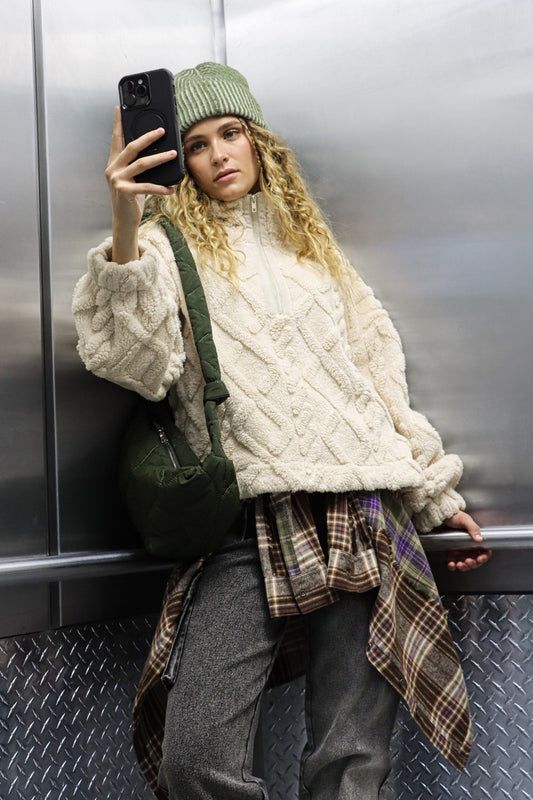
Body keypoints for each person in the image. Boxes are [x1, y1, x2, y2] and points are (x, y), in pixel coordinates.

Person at [72, 62, 491, 800]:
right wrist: (125, 220)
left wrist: (431, 495)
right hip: (246, 521)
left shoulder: (314, 248)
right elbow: (134, 365)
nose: (218, 155)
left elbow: (375, 378)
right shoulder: (166, 251)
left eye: (231, 133)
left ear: (260, 140)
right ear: (178, 158)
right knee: (193, 760)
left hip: (360, 508)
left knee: (350, 764)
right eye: (196, 143)